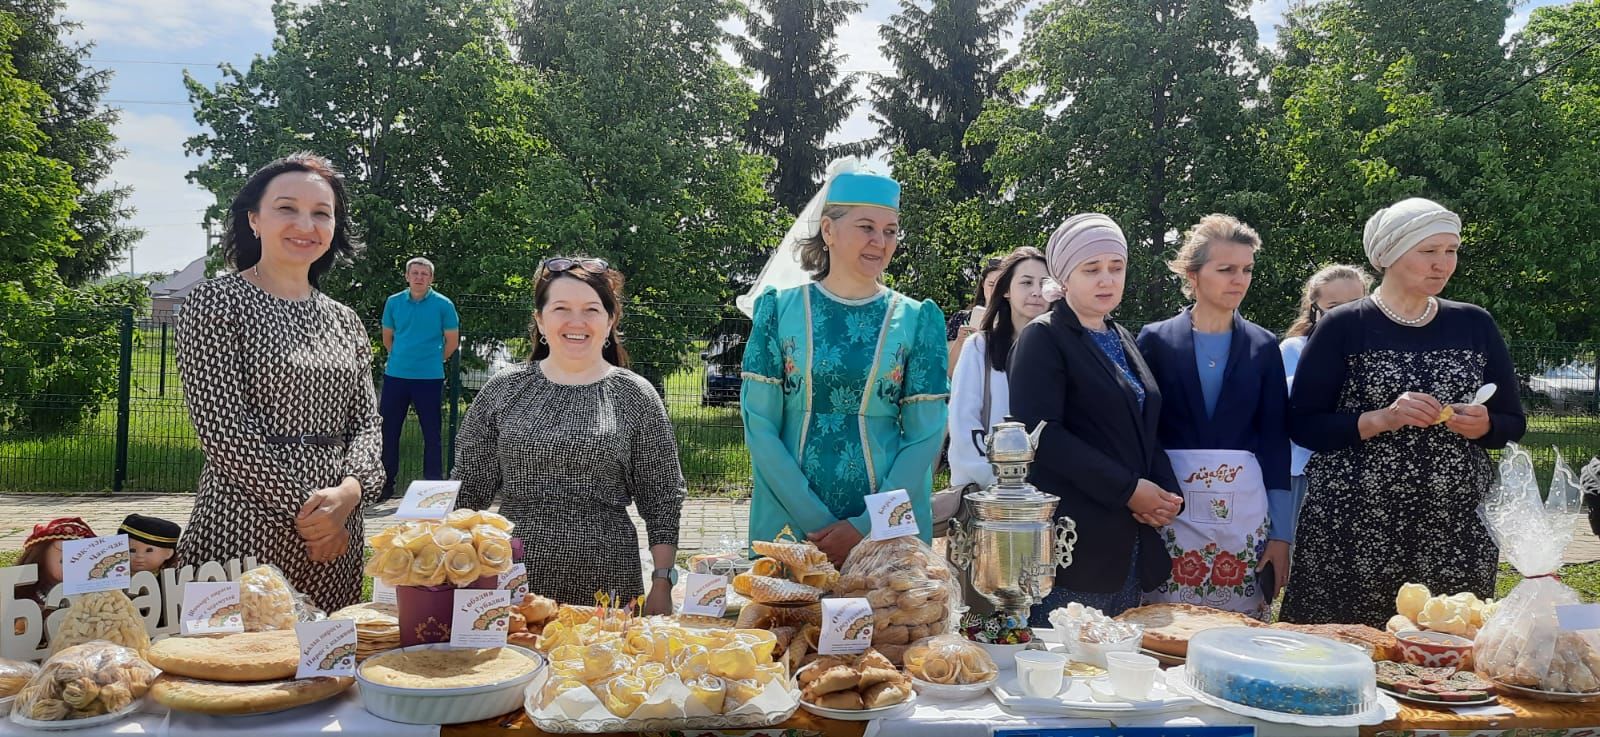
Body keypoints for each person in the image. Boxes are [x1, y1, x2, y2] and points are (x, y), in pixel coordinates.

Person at [1282, 197, 1526, 628]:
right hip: (1353, 526)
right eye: (1428, 251)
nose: (1443, 264)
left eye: (1451, 251)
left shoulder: (1475, 324)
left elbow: (1512, 422)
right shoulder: (1343, 326)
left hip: (1453, 528)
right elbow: (1303, 424)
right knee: (1344, 653)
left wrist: (1485, 425)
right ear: (1389, 256)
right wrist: (1382, 418)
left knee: (1441, 653)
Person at [176, 153, 384, 613]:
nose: (305, 224)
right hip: (244, 521)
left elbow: (368, 422)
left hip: (338, 533)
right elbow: (223, 429)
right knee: (230, 671)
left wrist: (350, 495)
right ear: (254, 219)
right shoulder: (214, 302)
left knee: (325, 672)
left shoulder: (345, 320)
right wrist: (311, 516)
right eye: (287, 208)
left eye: (321, 213)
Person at [739, 160, 949, 567]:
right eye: (866, 227)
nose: (880, 241)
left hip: (885, 528)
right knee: (788, 627)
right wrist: (817, 524)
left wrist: (865, 526)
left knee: (891, 626)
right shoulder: (779, 312)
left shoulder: (917, 320)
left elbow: (925, 436)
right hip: (791, 519)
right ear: (829, 231)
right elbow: (760, 425)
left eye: (890, 231)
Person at [452, 258, 685, 613]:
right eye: (561, 308)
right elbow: (467, 491)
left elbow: (662, 497)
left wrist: (662, 582)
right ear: (540, 320)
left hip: (609, 586)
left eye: (591, 309)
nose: (577, 321)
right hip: (509, 584)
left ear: (610, 321)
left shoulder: (636, 395)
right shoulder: (503, 390)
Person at [1010, 214, 1182, 621]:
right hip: (1075, 545)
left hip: (1129, 544)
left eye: (1115, 267)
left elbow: (1145, 425)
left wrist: (1163, 495)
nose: (1106, 279)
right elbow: (1043, 436)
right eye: (1092, 269)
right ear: (1064, 276)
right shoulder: (1044, 336)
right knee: (1069, 671)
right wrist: (1127, 490)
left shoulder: (1122, 336)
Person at [1134, 215, 1289, 619]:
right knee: (1164, 628)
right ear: (1193, 275)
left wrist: (1282, 534)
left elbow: (1275, 441)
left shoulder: (1264, 345)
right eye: (1226, 269)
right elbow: (1140, 431)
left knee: (1236, 632)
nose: (1239, 279)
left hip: (1244, 519)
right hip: (1171, 513)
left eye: (1246, 270)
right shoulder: (1155, 339)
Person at [947, 247, 1049, 489]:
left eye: (1044, 283)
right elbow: (963, 422)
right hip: (991, 494)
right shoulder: (980, 347)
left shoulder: (1063, 351)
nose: (1036, 292)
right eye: (1026, 282)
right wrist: (997, 481)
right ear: (1006, 291)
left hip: (1047, 495)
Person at [1279, 265, 1371, 524]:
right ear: (1315, 309)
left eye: (1356, 304)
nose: (1346, 314)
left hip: (1363, 473)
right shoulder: (1294, 349)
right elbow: (1287, 406)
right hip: (1305, 474)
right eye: (1334, 306)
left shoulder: (1381, 353)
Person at [378, 257, 460, 501]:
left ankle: (432, 488)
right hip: (396, 376)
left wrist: (434, 361)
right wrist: (403, 359)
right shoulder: (393, 302)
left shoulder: (444, 305)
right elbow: (387, 339)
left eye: (424, 274)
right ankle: (385, 486)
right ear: (407, 276)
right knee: (388, 432)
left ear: (431, 278)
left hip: (429, 378)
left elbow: (452, 342)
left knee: (432, 434)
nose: (419, 277)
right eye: (415, 273)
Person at [947, 257, 1003, 378]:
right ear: (983, 284)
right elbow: (949, 372)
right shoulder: (960, 319)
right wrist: (960, 342)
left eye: (1001, 285)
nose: (995, 290)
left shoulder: (1014, 321)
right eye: (991, 284)